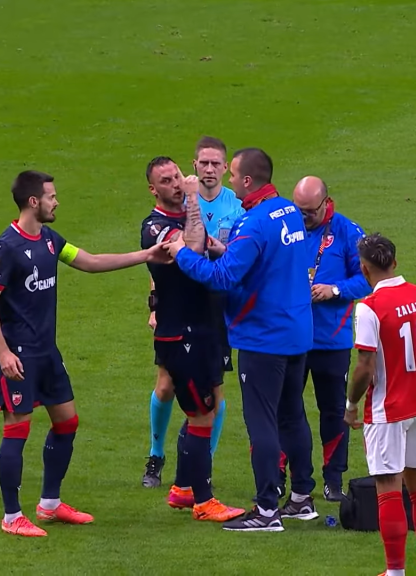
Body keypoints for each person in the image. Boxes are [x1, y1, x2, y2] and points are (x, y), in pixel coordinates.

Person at [0, 170, 170, 537]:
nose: (56, 202)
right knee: (16, 431)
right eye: (51, 196)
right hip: (18, 356)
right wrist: (3, 353)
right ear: (33, 201)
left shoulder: (50, 240)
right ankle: (12, 517)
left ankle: (49, 505)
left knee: (66, 422)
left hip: (47, 353)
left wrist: (146, 255)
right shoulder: (7, 247)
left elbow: (90, 261)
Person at [165, 147, 316, 532]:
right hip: (297, 331)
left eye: (233, 174)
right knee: (292, 415)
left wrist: (182, 253)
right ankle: (302, 497)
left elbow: (222, 278)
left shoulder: (254, 223)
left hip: (263, 338)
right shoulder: (288, 210)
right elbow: (266, 261)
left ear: (248, 181)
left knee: (262, 422)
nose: (230, 180)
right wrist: (226, 250)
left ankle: (266, 510)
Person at [140, 156, 245, 521]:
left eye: (176, 177)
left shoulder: (180, 219)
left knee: (210, 407)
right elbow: (193, 248)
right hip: (180, 334)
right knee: (200, 416)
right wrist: (193, 200)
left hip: (205, 327)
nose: (176, 183)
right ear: (153, 189)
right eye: (166, 181)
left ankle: (184, 489)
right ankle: (203, 501)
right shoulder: (155, 226)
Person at [344, 233, 416, 576]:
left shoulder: (369, 307)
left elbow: (365, 366)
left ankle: (394, 572)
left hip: (388, 409)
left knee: (388, 489)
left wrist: (351, 403)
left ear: (364, 269)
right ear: (394, 261)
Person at [292, 176, 371, 501]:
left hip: (331, 341)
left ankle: (333, 480)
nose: (304, 217)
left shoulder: (347, 232)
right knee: (287, 409)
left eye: (310, 212)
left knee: (334, 411)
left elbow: (368, 279)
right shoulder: (287, 226)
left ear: (327, 203)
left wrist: (335, 290)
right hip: (291, 338)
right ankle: (288, 479)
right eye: (299, 210)